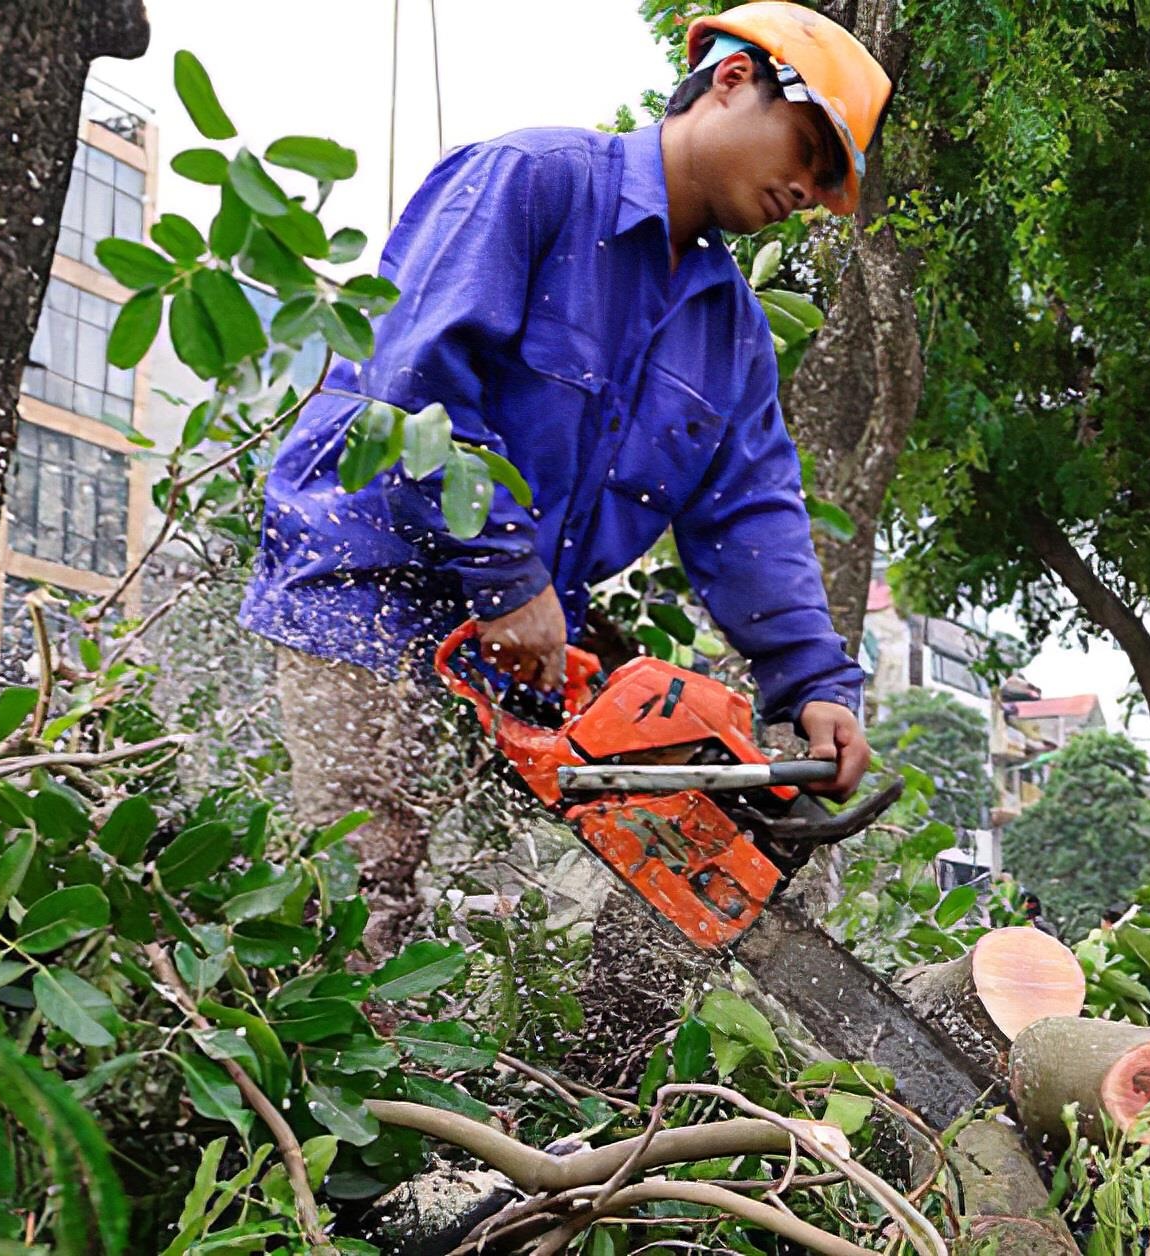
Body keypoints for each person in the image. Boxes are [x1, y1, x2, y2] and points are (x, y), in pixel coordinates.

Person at [240, 3, 894, 950]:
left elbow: (752, 510)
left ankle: (600, 1066)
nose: (808, 186)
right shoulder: (533, 183)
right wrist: (507, 576)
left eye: (831, 180)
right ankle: (331, 1078)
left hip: (523, 625)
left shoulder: (731, 330)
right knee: (358, 883)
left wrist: (815, 683)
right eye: (809, 150)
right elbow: (414, 390)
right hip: (369, 586)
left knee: (688, 845)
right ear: (732, 79)